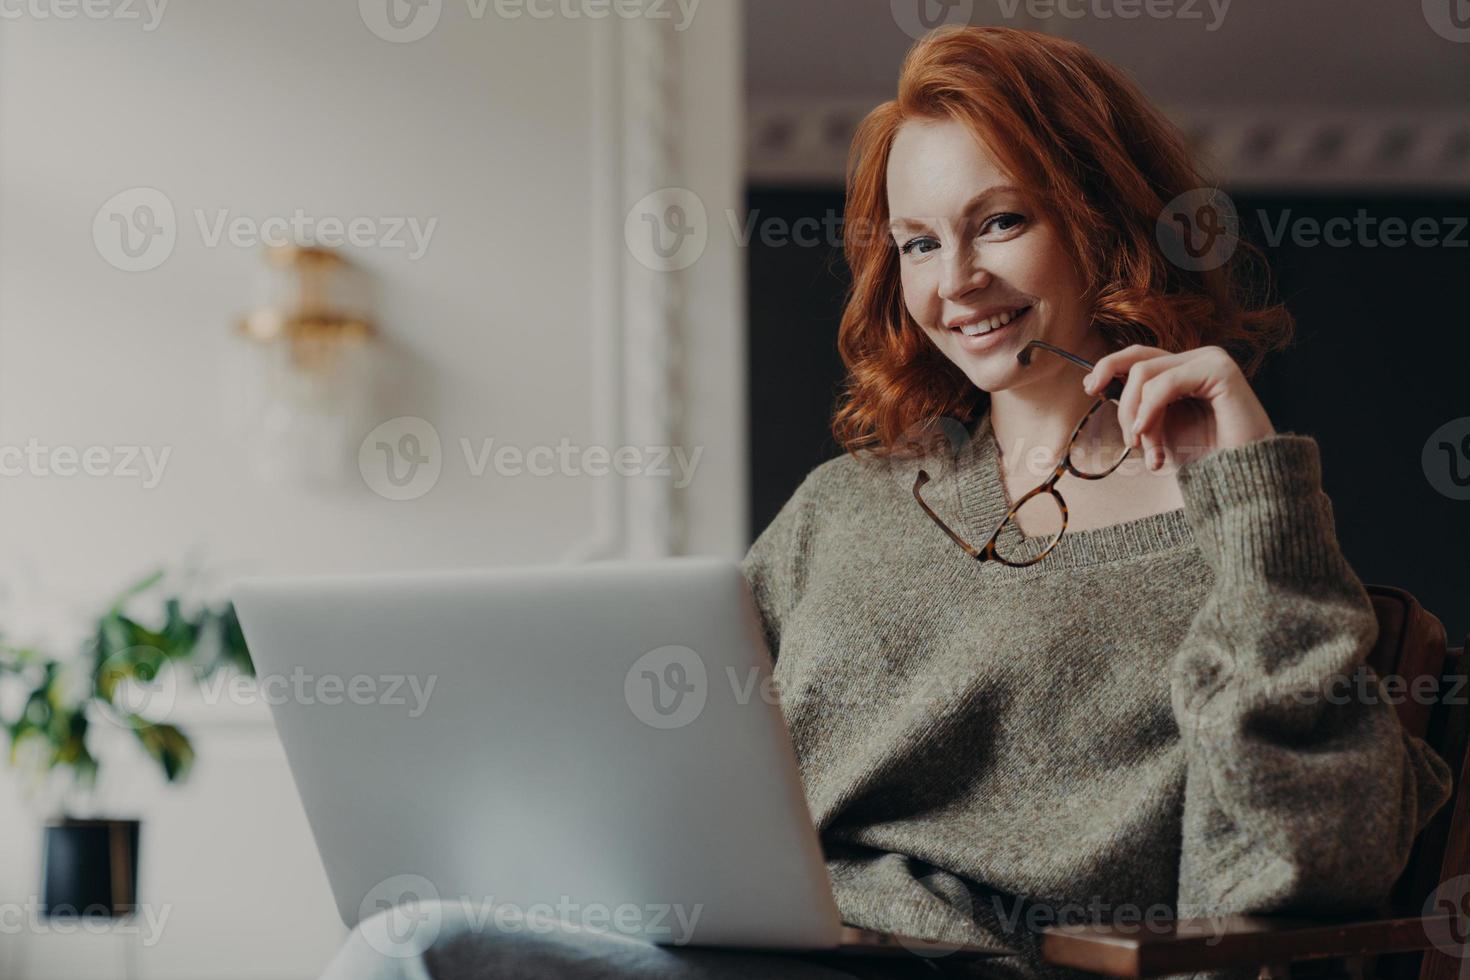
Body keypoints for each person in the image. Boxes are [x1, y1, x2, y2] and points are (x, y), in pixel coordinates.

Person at [318, 24, 1454, 980]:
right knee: (418, 933)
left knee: (415, 945)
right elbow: (664, 768)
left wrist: (1253, 492)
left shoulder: (1244, 538)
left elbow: (1301, 867)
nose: (952, 281)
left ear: (1104, 222)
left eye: (1000, 221)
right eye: (918, 241)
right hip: (735, 949)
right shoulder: (843, 507)